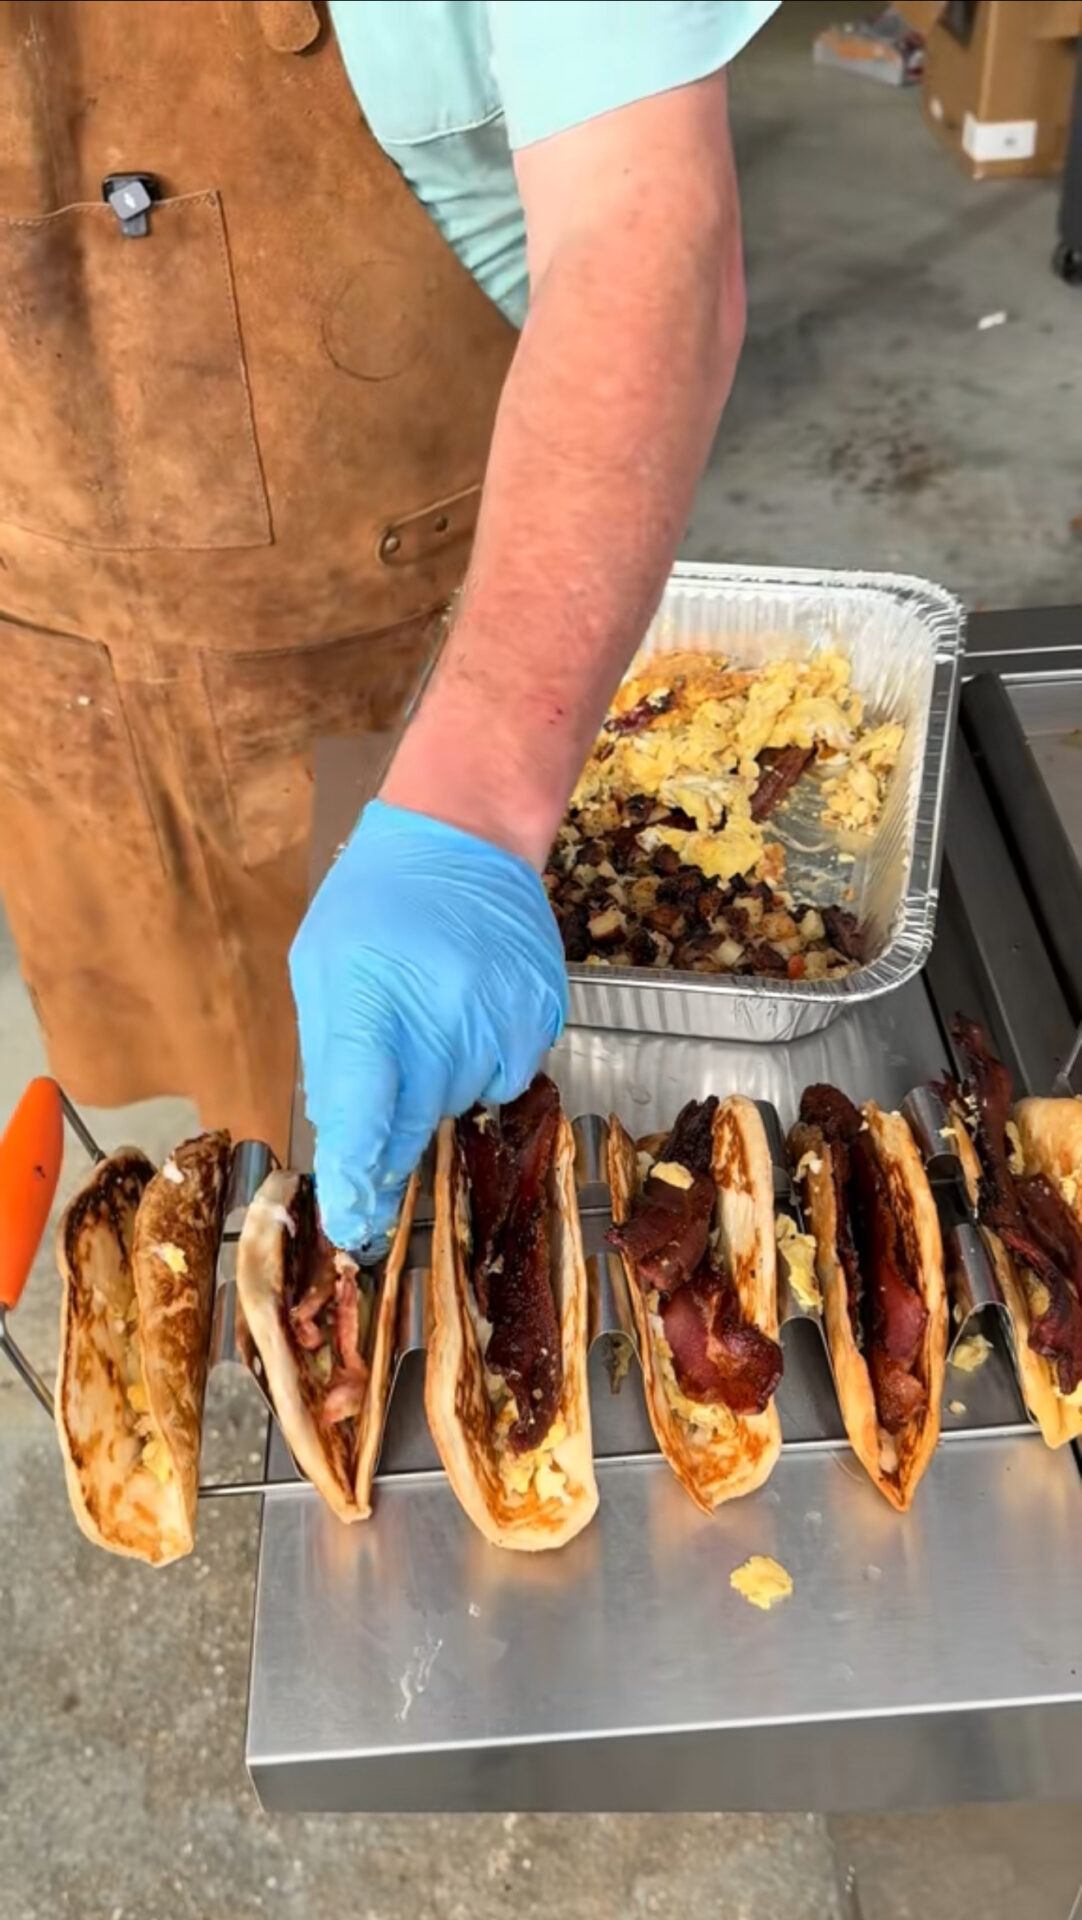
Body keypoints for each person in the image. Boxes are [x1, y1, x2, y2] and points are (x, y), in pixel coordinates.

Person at [0, 0, 774, 1252]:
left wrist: (471, 810)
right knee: (222, 1120)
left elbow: (643, 236)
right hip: (53, 674)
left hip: (418, 688)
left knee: (467, 1181)